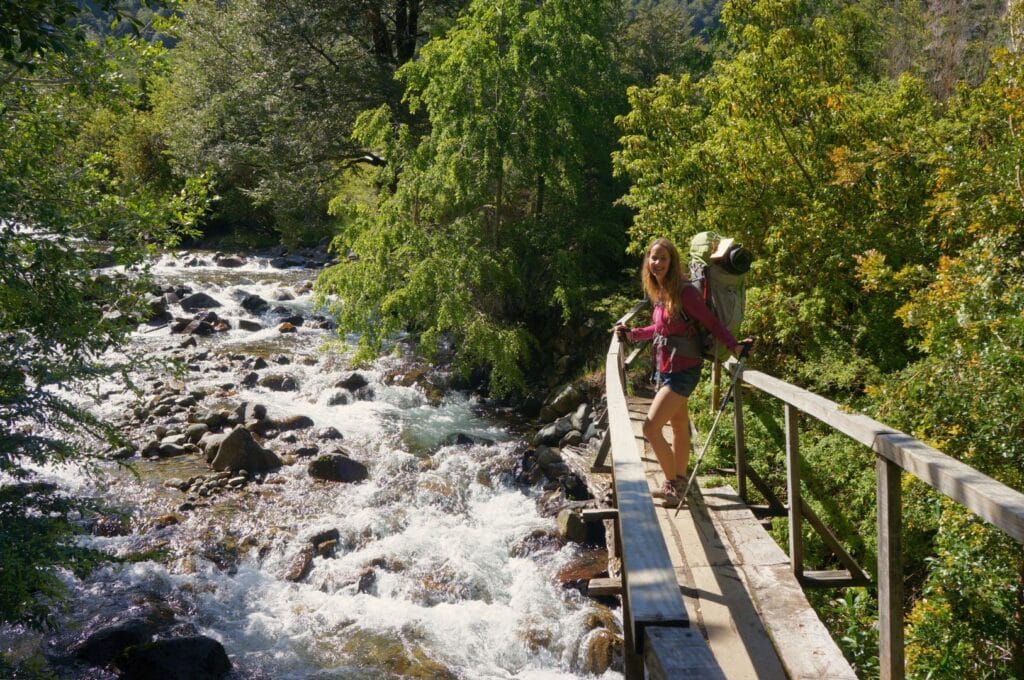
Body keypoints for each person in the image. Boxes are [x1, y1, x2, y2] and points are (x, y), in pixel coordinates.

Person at [614, 237, 752, 507]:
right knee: (678, 427)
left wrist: (733, 345)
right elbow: (660, 329)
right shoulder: (661, 291)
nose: (657, 263)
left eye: (663, 258)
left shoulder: (685, 292)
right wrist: (632, 334)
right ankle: (679, 481)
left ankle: (672, 485)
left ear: (672, 261)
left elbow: (710, 321)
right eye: (653, 258)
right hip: (667, 368)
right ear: (647, 262)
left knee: (651, 428)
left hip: (683, 371)